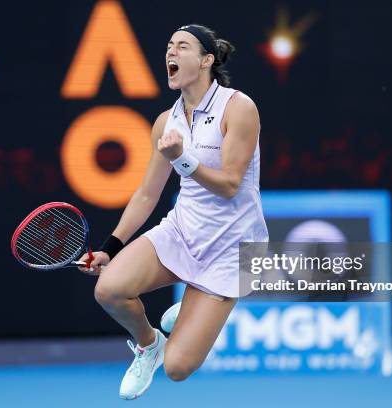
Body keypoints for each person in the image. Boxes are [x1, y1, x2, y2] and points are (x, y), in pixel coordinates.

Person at [78, 24, 269, 400]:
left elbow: (231, 184)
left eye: (182, 47)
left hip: (233, 250)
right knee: (110, 290)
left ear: (206, 60)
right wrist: (109, 249)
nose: (171, 53)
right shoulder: (166, 121)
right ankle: (149, 345)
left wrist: (182, 159)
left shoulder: (238, 107)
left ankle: (188, 313)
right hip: (182, 232)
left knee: (179, 368)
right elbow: (147, 195)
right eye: (169, 46)